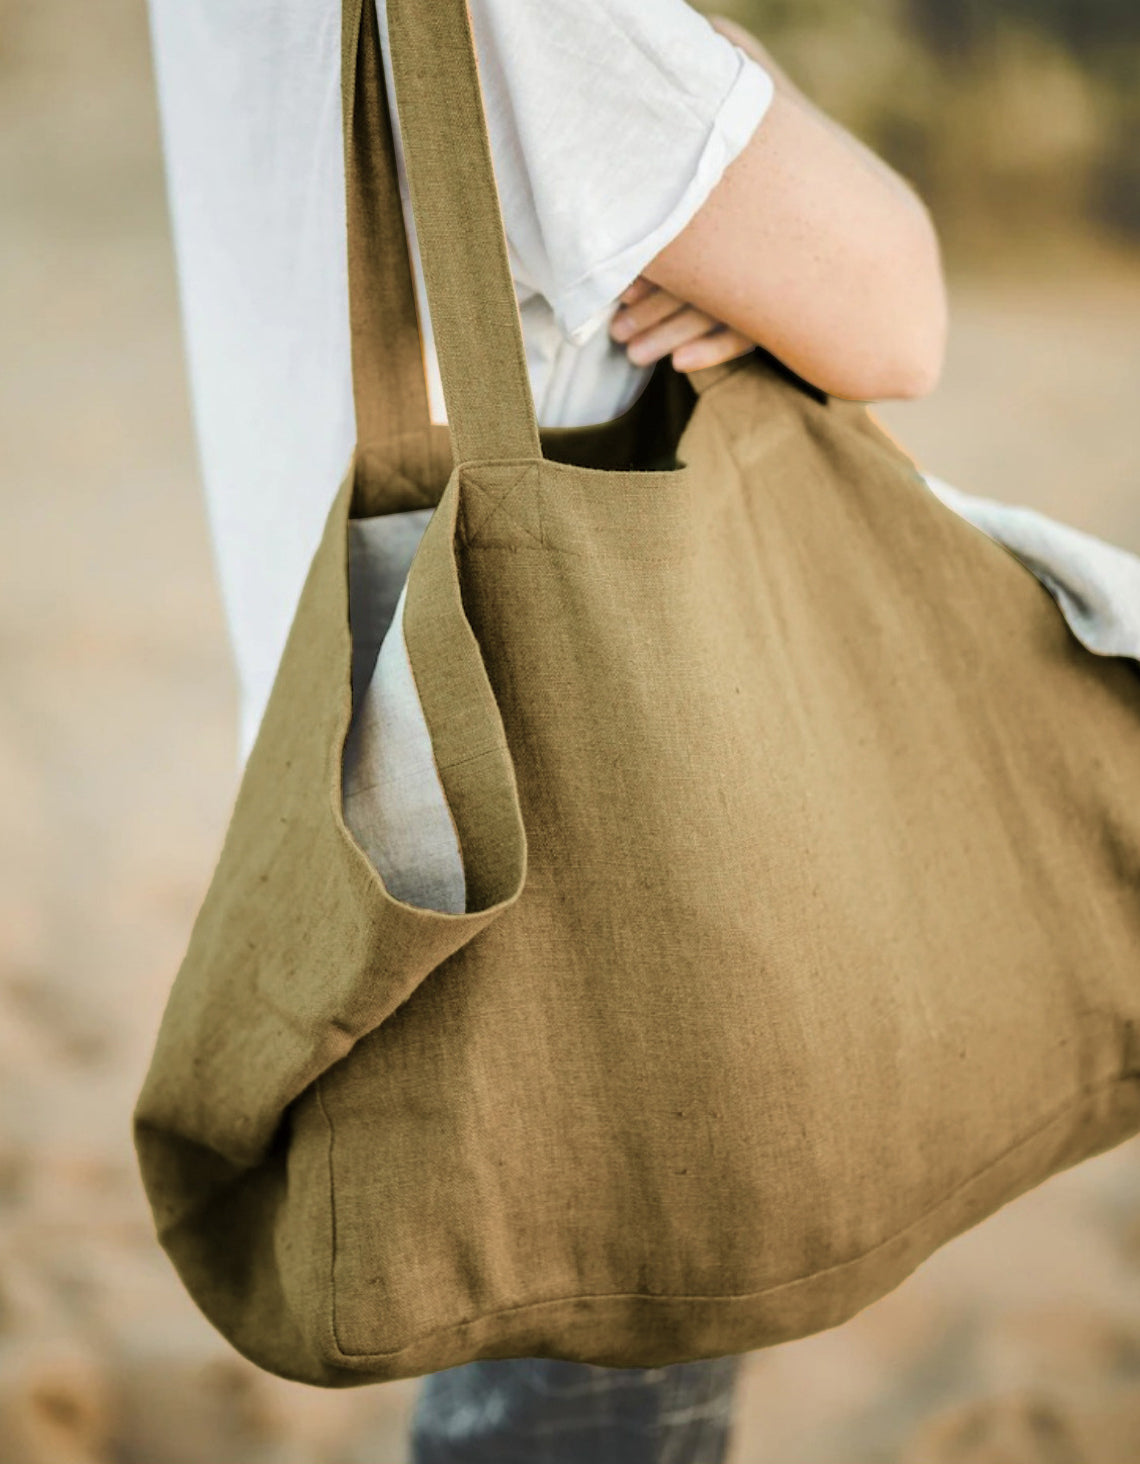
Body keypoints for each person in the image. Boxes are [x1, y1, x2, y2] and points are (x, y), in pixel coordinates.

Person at [144, 1, 1140, 1459]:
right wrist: (752, 112)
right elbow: (891, 306)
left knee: (517, 1334)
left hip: (358, 772)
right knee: (604, 1343)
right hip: (630, 850)